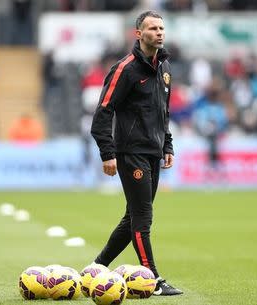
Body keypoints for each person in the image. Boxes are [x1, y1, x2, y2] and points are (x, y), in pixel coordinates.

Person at [90, 10, 182, 296]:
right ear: (138, 34)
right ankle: (152, 280)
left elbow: (162, 113)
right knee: (143, 217)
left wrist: (167, 145)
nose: (159, 32)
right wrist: (108, 152)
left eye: (162, 28)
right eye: (152, 28)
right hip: (131, 153)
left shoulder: (165, 67)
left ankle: (95, 268)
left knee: (132, 218)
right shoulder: (125, 69)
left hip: (153, 152)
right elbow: (103, 113)